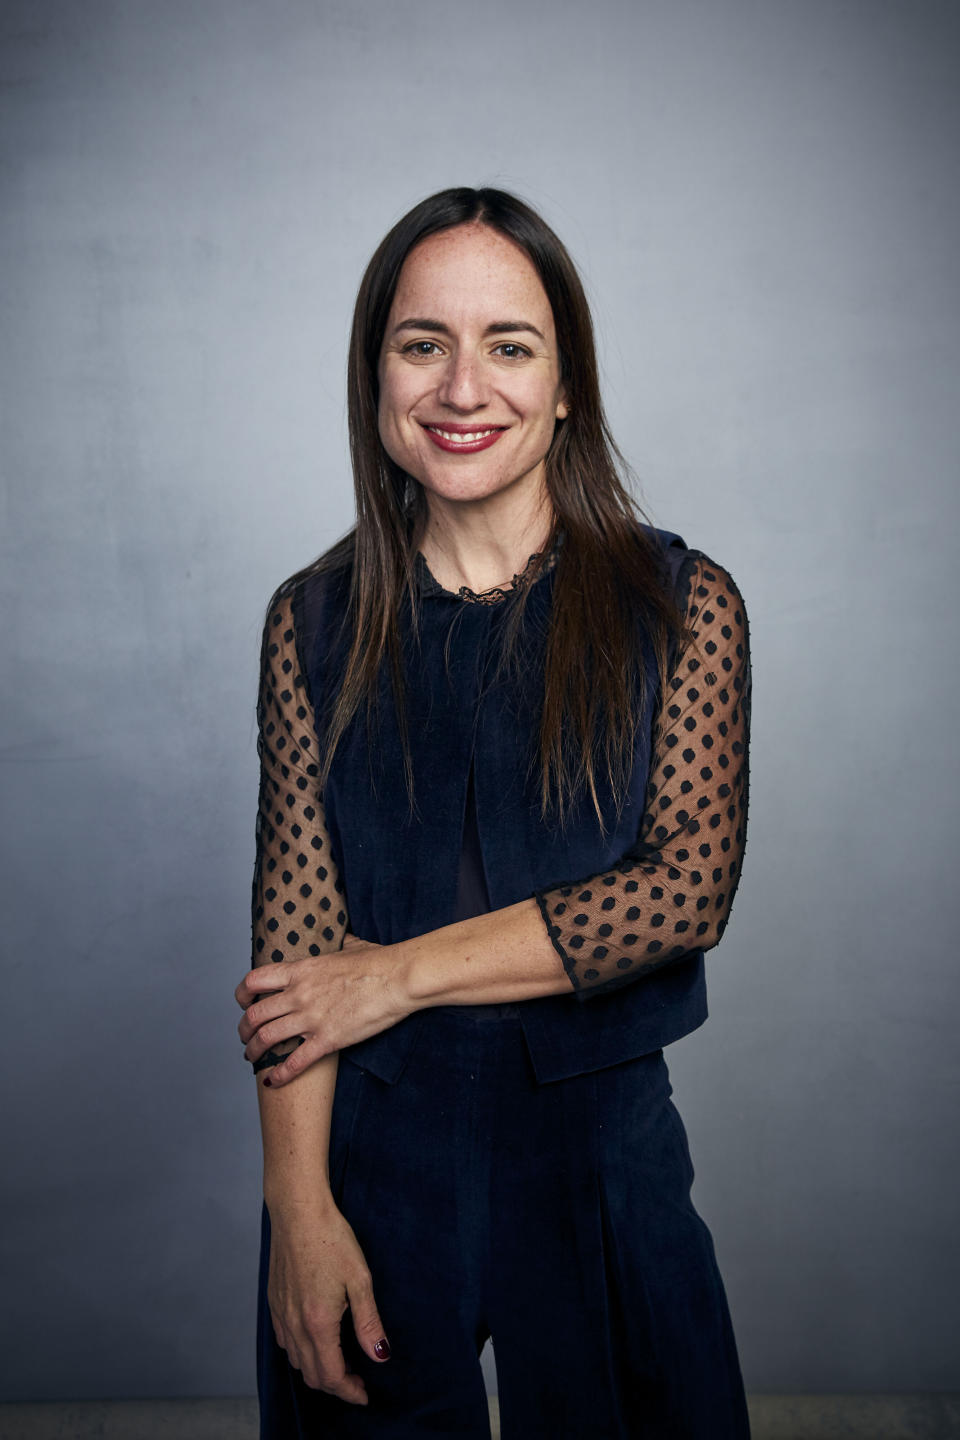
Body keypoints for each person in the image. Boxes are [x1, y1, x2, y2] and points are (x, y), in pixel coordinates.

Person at [235, 186, 752, 1439]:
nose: (464, 388)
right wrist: (299, 1215)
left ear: (566, 382)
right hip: (375, 1167)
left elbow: (683, 893)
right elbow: (297, 960)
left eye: (508, 346)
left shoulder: (684, 606)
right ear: (378, 378)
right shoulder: (309, 621)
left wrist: (397, 976)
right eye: (424, 345)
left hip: (602, 1161)